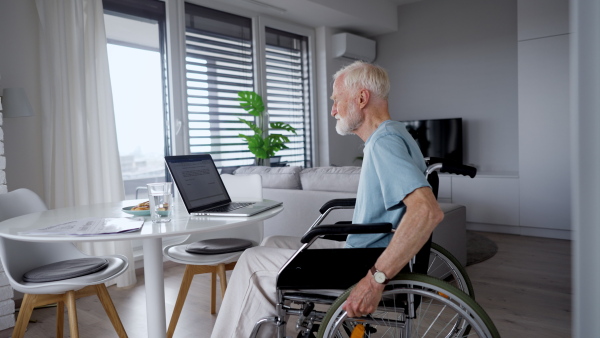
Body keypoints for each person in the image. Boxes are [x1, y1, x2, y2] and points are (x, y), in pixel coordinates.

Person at [210, 61, 444, 337]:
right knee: (271, 243)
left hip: (361, 262)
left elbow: (427, 211)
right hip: (362, 251)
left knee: (251, 260)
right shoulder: (394, 133)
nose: (333, 110)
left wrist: (375, 280)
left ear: (361, 98)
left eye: (337, 100)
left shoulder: (384, 143)